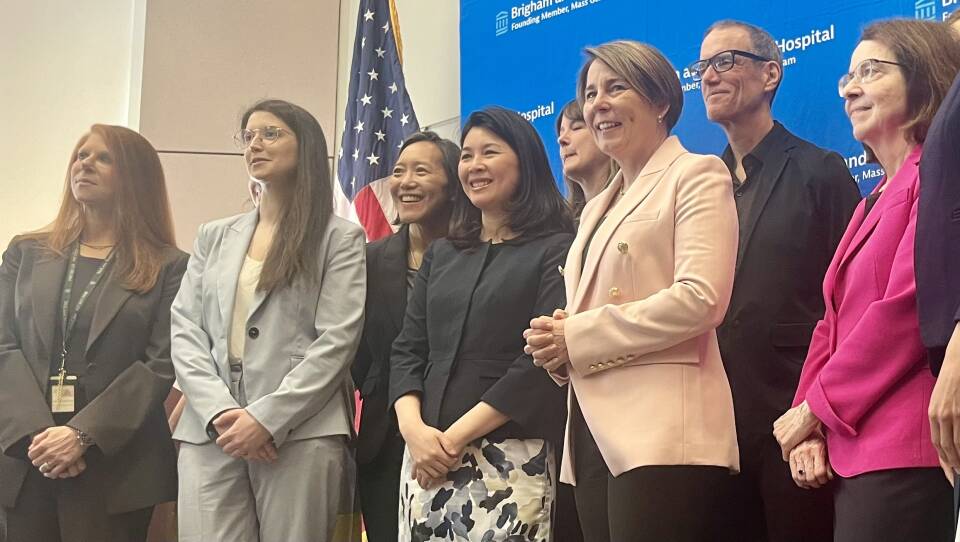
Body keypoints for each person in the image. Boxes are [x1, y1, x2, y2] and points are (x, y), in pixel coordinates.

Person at [525, 40, 739, 542]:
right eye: (591, 92)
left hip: (663, 434)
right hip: (593, 431)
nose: (598, 103)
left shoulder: (696, 173)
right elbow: (591, 317)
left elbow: (701, 298)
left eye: (616, 87)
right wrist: (558, 345)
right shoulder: (597, 204)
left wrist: (577, 337)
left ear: (661, 101)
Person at [774, 19, 960, 542]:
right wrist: (804, 424)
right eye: (847, 77)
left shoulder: (935, 180)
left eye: (871, 71)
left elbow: (907, 309)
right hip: (853, 454)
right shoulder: (869, 201)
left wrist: (816, 409)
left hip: (909, 450)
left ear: (922, 78)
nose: (851, 88)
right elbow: (828, 327)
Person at [689, 20, 862, 541]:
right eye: (702, 67)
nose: (709, 77)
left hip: (796, 424)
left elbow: (852, 307)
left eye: (726, 61)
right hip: (710, 428)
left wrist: (820, 421)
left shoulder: (820, 171)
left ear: (770, 74)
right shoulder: (702, 184)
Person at [171, 99, 365, 542]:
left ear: (307, 146)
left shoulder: (339, 238)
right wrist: (222, 411)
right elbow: (184, 330)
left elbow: (336, 341)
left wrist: (266, 418)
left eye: (271, 133)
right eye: (249, 136)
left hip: (301, 431)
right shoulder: (214, 235)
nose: (255, 144)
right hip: (211, 430)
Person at [389, 106, 574, 541]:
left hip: (509, 457)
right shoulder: (444, 252)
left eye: (489, 152)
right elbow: (407, 349)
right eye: (467, 155)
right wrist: (414, 431)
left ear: (525, 161)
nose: (474, 166)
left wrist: (450, 441)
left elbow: (536, 366)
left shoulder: (557, 248)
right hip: (423, 456)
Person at [0, 124, 187, 541]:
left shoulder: (169, 266)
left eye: (103, 157)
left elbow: (160, 363)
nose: (85, 163)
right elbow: (3, 345)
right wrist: (41, 436)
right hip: (28, 455)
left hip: (116, 465)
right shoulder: (25, 253)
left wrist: (82, 435)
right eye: (81, 155)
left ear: (135, 176)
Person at [352, 130, 462, 542]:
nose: (405, 181)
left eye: (421, 171)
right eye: (399, 171)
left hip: (457, 435)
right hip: (385, 442)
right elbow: (358, 355)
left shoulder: (479, 255)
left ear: (453, 185)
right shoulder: (368, 259)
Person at [555, 99, 617, 218]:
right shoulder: (563, 226)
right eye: (561, 132)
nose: (561, 139)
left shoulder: (634, 206)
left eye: (576, 128)